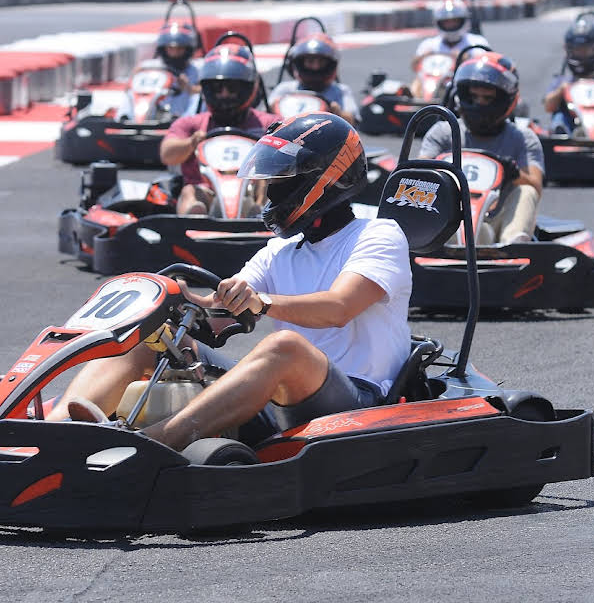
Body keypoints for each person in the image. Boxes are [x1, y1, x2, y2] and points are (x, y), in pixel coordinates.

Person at [49, 112, 413, 453]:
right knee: (150, 337)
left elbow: (339, 307)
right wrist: (178, 298)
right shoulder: (279, 252)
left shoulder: (378, 234)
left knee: (285, 345)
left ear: (323, 180)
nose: (271, 194)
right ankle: (58, 432)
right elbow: (222, 311)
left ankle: (150, 445)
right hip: (279, 398)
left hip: (357, 402)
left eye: (282, 182)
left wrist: (262, 302)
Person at [419, 52, 544, 245]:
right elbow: (419, 176)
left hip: (497, 217)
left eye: (487, 98)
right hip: (450, 218)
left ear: (505, 100)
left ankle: (513, 245)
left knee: (526, 190)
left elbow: (535, 185)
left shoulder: (522, 137)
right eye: (475, 97)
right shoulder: (444, 132)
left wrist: (513, 173)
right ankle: (445, 243)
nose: (479, 104)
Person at [160, 43, 279, 215]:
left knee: (268, 182)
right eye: (217, 88)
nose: (224, 94)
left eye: (232, 88)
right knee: (190, 192)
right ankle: (193, 225)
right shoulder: (191, 125)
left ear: (248, 87)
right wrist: (191, 143)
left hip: (253, 193)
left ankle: (259, 218)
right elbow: (167, 154)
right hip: (207, 195)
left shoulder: (269, 124)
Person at [118, 20, 202, 121]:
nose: (174, 52)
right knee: (130, 93)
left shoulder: (194, 70)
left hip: (178, 111)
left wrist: (188, 88)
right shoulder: (148, 66)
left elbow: (203, 93)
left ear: (187, 49)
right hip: (152, 106)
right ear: (163, 48)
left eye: (179, 48)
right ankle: (125, 117)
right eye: (170, 48)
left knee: (196, 98)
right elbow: (129, 86)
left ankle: (181, 121)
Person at [268, 33, 359, 126]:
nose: (315, 67)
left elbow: (352, 121)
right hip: (285, 134)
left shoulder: (341, 91)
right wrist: (275, 106)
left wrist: (337, 112)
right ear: (300, 63)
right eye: (310, 61)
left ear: (330, 64)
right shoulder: (285, 89)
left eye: (321, 62)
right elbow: (265, 115)